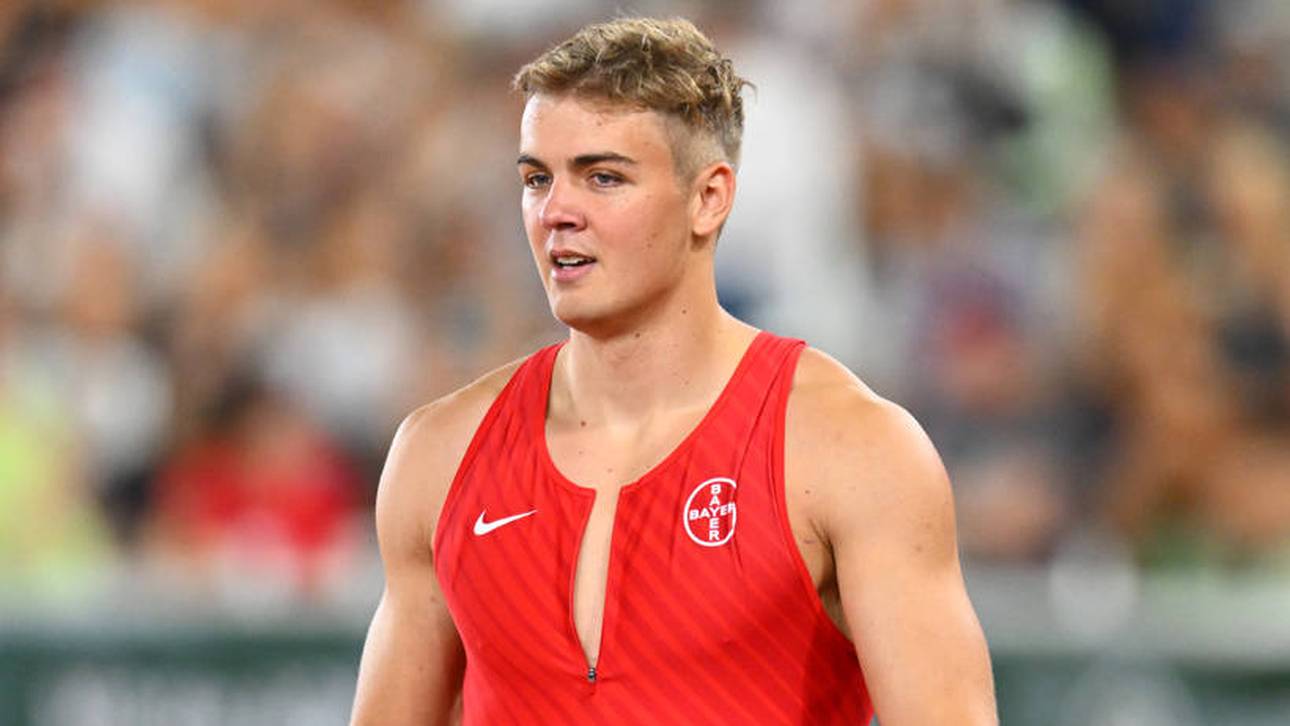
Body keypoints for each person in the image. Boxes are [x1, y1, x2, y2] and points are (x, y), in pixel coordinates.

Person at [350, 17, 996, 725]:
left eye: (602, 177)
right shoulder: (439, 456)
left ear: (709, 198)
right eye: (538, 179)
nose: (557, 212)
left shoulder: (848, 449)